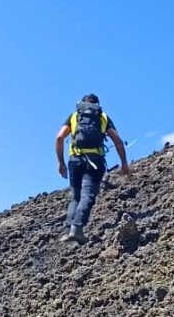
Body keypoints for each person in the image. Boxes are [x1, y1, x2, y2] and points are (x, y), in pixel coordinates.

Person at [55, 94, 130, 243]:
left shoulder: (75, 116)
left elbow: (59, 138)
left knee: (75, 196)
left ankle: (67, 230)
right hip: (95, 160)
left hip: (75, 160)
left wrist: (60, 162)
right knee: (88, 194)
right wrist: (124, 163)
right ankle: (77, 229)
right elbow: (118, 142)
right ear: (98, 104)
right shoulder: (102, 117)